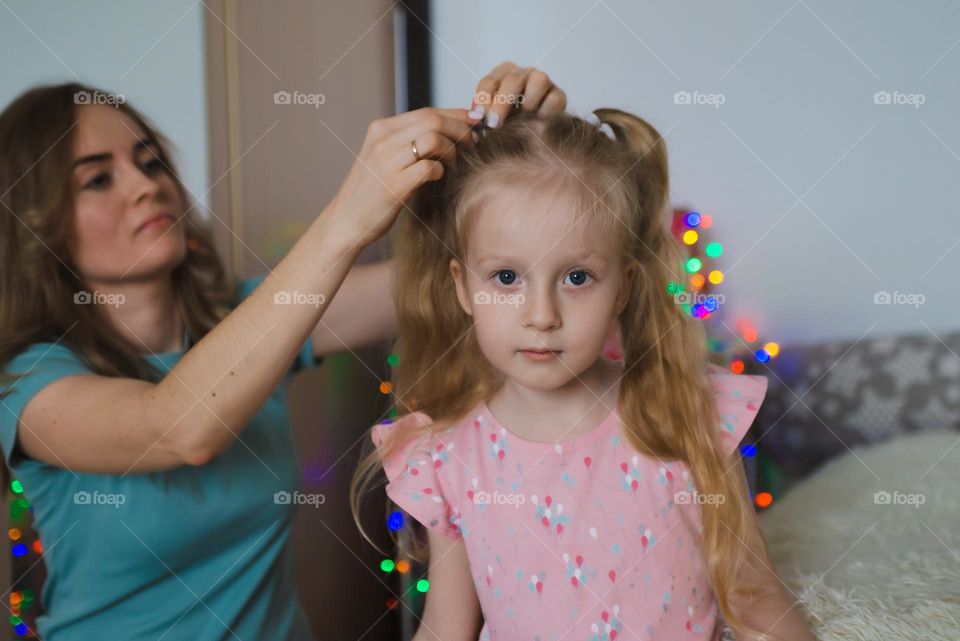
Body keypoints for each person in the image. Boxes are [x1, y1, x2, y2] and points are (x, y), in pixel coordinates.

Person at [0, 62, 566, 640]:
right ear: (34, 224)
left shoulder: (247, 318)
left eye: (150, 162)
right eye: (98, 179)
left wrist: (531, 153)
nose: (146, 185)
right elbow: (176, 426)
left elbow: (458, 285)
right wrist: (347, 217)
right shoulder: (28, 381)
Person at [353, 108, 818, 641]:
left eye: (577, 277)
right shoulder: (448, 455)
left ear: (622, 286)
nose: (542, 314)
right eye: (506, 277)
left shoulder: (685, 415)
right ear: (463, 287)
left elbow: (753, 597)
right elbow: (447, 626)